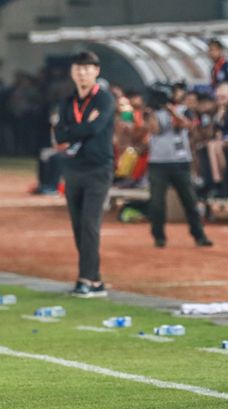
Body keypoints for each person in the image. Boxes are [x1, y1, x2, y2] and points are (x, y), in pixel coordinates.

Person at [54, 51, 115, 298]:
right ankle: (96, 280)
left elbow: (95, 127)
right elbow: (59, 134)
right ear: (72, 72)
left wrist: (73, 131)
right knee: (79, 226)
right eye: (78, 68)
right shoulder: (67, 102)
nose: (82, 73)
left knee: (90, 224)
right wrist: (78, 129)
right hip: (73, 168)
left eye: (88, 68)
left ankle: (85, 279)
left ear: (96, 72)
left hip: (98, 168)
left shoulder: (104, 100)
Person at [144, 83, 213, 248]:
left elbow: (186, 125)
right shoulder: (152, 112)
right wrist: (153, 112)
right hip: (158, 162)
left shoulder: (183, 110)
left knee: (189, 200)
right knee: (157, 202)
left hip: (180, 161)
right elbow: (155, 129)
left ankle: (199, 235)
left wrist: (171, 110)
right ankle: (159, 236)